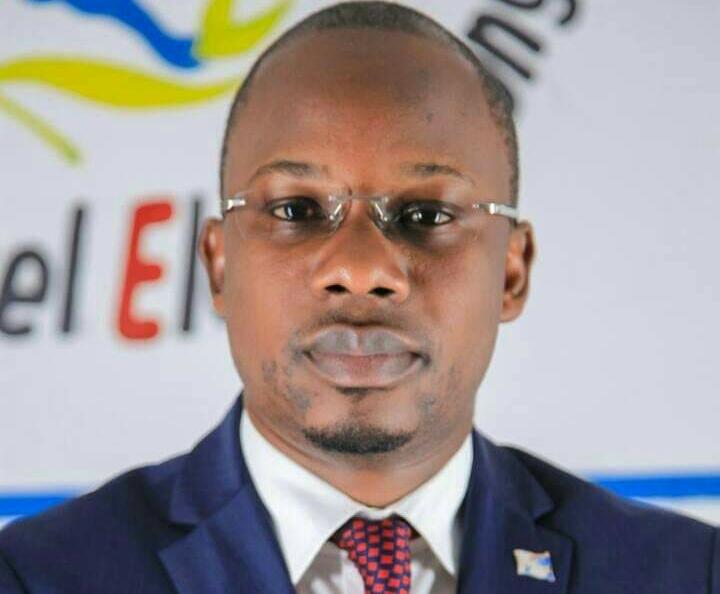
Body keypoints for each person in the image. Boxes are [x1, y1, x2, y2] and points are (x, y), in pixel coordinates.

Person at [1, 2, 718, 593]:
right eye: (296, 210)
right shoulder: (35, 577)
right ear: (218, 267)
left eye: (427, 214)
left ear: (512, 273)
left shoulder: (685, 574)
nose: (360, 269)